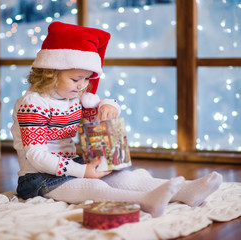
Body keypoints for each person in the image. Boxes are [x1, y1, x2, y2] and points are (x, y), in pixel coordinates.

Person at [11, 21, 223, 218]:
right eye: (75, 79)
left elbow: (102, 105)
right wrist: (82, 171)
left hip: (71, 164)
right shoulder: (33, 104)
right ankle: (145, 201)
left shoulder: (73, 98)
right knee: (95, 188)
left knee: (121, 178)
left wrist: (109, 105)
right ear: (50, 73)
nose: (81, 85)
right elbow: (36, 154)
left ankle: (186, 191)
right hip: (38, 177)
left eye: (86, 79)